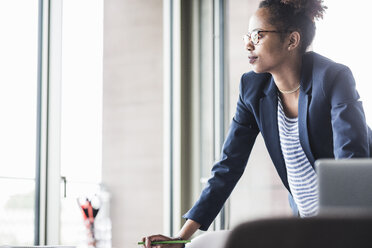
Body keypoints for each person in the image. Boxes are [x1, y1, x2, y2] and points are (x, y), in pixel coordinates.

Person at [142, 0, 372, 247]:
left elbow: (351, 158)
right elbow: (229, 165)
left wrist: (343, 232)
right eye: (247, 36)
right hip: (308, 225)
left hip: (355, 219)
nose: (248, 44)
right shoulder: (252, 88)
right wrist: (181, 236)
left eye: (258, 35)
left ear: (292, 40)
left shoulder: (332, 78)